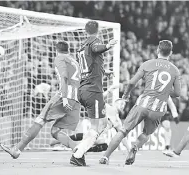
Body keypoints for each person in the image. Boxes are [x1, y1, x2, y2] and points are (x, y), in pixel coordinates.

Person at [99, 40, 181, 165]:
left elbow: (132, 82)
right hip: (158, 110)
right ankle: (134, 148)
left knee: (123, 131)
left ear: (157, 50)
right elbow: (178, 93)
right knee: (146, 133)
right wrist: (164, 92)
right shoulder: (175, 70)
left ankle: (105, 156)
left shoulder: (147, 64)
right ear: (171, 52)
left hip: (143, 104)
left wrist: (126, 96)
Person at [0, 41, 81, 159]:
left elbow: (64, 77)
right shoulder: (75, 62)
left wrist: (63, 97)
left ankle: (17, 149)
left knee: (40, 120)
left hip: (64, 96)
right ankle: (77, 149)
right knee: (55, 131)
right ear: (68, 50)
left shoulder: (59, 59)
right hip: (76, 98)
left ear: (56, 50)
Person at [70, 20, 117, 166]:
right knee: (97, 127)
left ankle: (81, 148)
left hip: (83, 89)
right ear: (99, 30)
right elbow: (97, 48)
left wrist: (104, 71)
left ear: (85, 30)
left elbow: (89, 66)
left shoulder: (81, 46)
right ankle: (78, 154)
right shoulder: (94, 42)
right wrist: (108, 45)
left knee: (103, 123)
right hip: (92, 91)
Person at [49, 85, 131, 152]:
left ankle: (77, 148)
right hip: (93, 132)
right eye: (121, 102)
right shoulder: (107, 107)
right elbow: (98, 99)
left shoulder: (118, 122)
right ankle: (66, 144)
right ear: (115, 103)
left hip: (97, 137)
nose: (122, 105)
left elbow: (122, 136)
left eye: (124, 104)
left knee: (103, 144)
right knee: (89, 138)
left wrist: (129, 149)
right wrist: (109, 91)